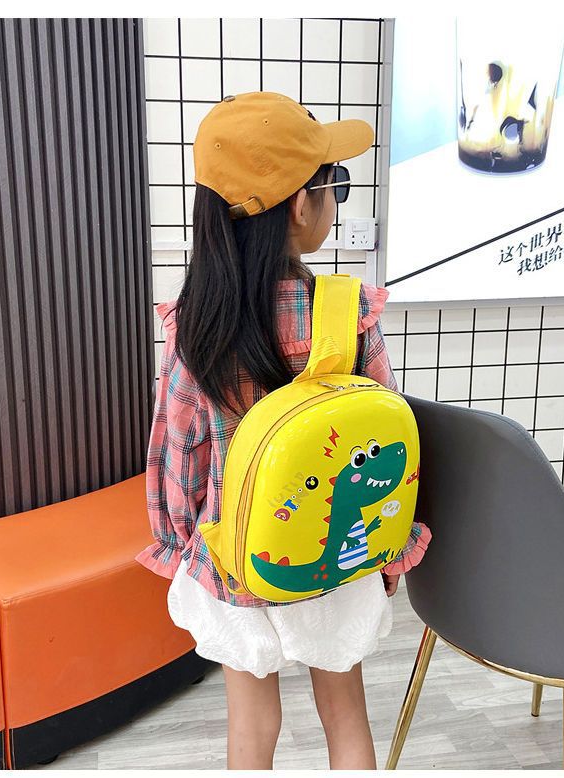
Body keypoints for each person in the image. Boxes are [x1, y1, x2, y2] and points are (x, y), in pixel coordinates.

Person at [135, 91, 431, 770]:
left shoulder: (197, 325)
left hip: (236, 557)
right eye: (336, 186)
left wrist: (180, 546)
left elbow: (177, 454)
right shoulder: (345, 312)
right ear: (302, 205)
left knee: (252, 726)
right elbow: (386, 439)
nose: (335, 201)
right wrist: (387, 555)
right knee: (345, 713)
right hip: (332, 552)